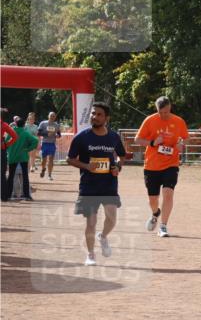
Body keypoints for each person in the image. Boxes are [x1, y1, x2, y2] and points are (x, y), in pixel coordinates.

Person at [65, 102, 128, 266]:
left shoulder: (113, 137)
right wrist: (86, 166)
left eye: (99, 114)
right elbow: (69, 159)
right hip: (89, 186)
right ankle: (90, 255)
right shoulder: (82, 137)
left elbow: (122, 156)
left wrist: (118, 167)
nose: (95, 117)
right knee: (91, 222)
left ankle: (103, 236)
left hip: (109, 184)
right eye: (93, 114)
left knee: (112, 219)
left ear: (106, 118)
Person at [134, 96, 188, 237]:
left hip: (171, 164)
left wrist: (180, 145)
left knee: (168, 193)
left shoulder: (179, 121)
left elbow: (185, 139)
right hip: (152, 165)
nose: (164, 115)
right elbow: (137, 139)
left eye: (166, 112)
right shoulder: (150, 120)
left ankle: (163, 226)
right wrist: (153, 142)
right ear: (157, 109)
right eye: (161, 112)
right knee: (153, 199)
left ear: (170, 108)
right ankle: (155, 213)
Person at [3, 117, 39, 201]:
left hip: (12, 156)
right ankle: (27, 195)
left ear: (15, 124)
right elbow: (35, 140)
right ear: (23, 125)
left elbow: (6, 142)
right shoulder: (25, 133)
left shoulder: (11, 132)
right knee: (25, 176)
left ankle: (8, 195)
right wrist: (28, 149)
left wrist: (8, 149)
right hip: (23, 157)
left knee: (11, 176)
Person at [36, 111, 61, 181]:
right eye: (51, 116)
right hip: (44, 143)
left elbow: (59, 134)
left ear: (55, 117)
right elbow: (38, 133)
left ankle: (49, 174)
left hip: (52, 144)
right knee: (44, 160)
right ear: (48, 116)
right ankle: (43, 168)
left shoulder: (56, 125)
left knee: (51, 159)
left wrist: (57, 135)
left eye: (53, 116)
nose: (52, 117)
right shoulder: (43, 123)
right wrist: (46, 134)